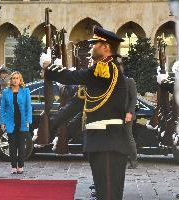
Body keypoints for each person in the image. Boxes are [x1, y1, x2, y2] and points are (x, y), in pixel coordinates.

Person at [41, 26, 131, 200]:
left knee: (108, 194)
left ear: (106, 47)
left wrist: (48, 66)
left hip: (108, 142)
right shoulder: (104, 70)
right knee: (105, 193)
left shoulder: (106, 68)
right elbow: (81, 103)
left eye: (94, 43)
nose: (90, 47)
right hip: (101, 140)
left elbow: (75, 77)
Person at [0, 71, 32, 174]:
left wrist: (28, 120)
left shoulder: (25, 91)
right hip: (10, 122)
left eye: (17, 78)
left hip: (22, 121)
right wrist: (2, 122)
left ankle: (21, 166)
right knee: (12, 145)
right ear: (11, 79)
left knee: (21, 146)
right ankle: (13, 166)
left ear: (20, 79)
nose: (15, 80)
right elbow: (2, 108)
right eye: (13, 78)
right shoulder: (6, 92)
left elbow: (28, 107)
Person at [119, 61, 138, 169]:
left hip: (127, 115)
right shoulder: (113, 83)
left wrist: (129, 113)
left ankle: (134, 161)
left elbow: (133, 99)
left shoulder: (129, 81)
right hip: (115, 115)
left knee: (128, 137)